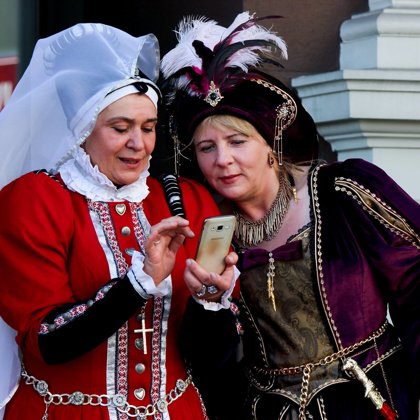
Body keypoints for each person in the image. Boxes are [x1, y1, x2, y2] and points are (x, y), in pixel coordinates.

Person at [160, 12, 420, 420]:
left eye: (237, 141)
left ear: (271, 143)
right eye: (207, 148)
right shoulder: (207, 234)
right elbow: (209, 364)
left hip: (372, 404)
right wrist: (209, 304)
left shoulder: (343, 192)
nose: (222, 159)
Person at [0, 23, 237, 419]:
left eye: (148, 128)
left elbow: (213, 361)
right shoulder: (35, 201)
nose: (138, 144)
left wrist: (210, 302)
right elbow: (47, 342)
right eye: (120, 128)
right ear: (83, 129)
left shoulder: (186, 201)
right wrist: (138, 282)